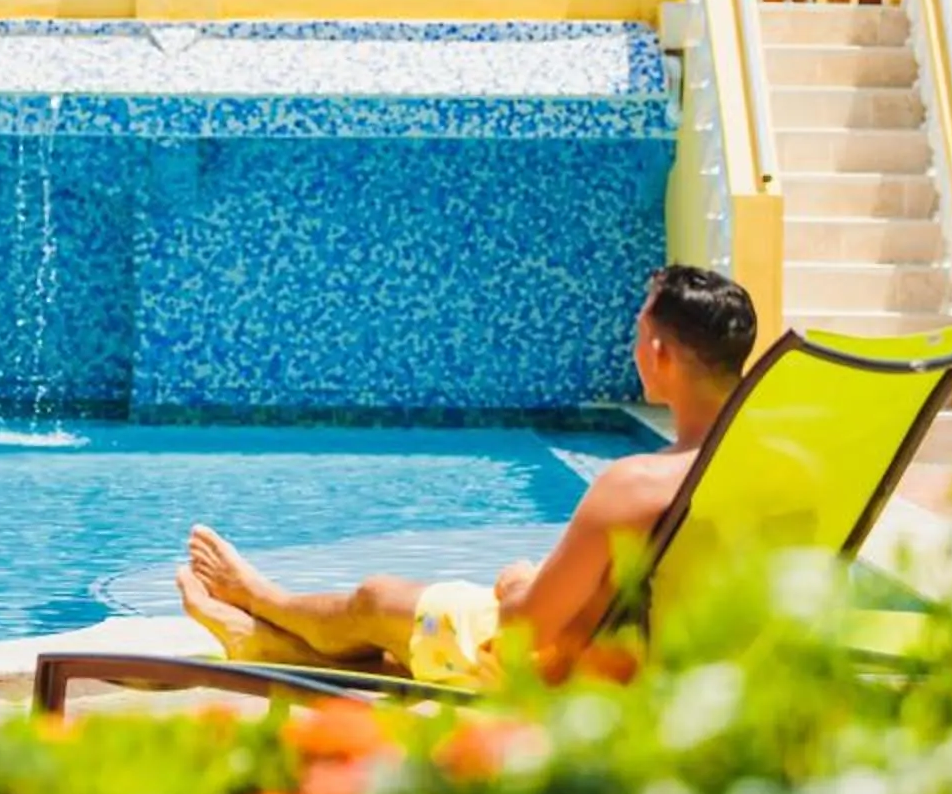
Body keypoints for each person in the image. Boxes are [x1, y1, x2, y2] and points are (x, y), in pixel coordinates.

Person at [178, 266, 757, 684]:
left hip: (573, 674)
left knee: (376, 599)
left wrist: (516, 584)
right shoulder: (779, 469)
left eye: (636, 337)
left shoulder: (636, 485)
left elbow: (524, 629)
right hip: (691, 676)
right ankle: (273, 642)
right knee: (410, 632)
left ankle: (263, 602)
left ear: (658, 353)